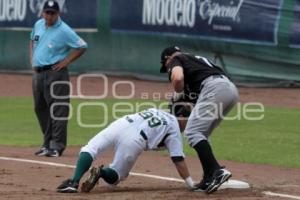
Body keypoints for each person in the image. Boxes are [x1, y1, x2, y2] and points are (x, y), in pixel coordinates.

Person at [56, 107, 195, 193]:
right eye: (189, 121)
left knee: (90, 148)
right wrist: (190, 183)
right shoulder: (175, 128)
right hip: (135, 140)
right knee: (116, 177)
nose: (188, 125)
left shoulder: (157, 110)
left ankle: (73, 182)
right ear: (182, 118)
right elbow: (178, 159)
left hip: (121, 123)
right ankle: (100, 172)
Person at [159, 46, 239, 194]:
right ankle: (209, 177)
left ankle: (217, 171)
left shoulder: (176, 59)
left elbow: (177, 78)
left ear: (167, 58)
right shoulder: (196, 62)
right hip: (229, 90)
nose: (167, 70)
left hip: (214, 88)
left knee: (193, 132)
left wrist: (177, 90)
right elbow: (190, 102)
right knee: (200, 134)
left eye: (165, 66)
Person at [29, 0, 87, 157]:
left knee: (58, 109)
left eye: (52, 13)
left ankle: (57, 146)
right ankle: (47, 144)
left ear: (58, 13)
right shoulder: (38, 24)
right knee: (40, 108)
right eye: (46, 12)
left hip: (56, 73)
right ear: (42, 13)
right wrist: (32, 59)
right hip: (38, 74)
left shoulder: (64, 30)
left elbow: (82, 46)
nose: (49, 15)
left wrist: (66, 61)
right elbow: (32, 40)